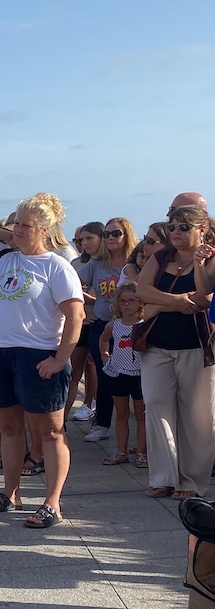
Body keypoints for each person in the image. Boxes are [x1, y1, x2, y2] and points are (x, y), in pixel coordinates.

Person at [0, 193, 84, 529]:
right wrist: (10, 234)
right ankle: (10, 493)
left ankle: (52, 503)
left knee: (51, 433)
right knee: (9, 428)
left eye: (25, 225)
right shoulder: (3, 256)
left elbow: (76, 315)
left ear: (44, 229)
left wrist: (60, 359)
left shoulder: (56, 265)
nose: (17, 229)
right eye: (15, 222)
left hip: (36, 354)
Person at [141, 204, 214, 500]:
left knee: (197, 417)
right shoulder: (161, 257)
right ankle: (163, 477)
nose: (176, 233)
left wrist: (197, 265)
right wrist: (175, 301)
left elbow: (204, 297)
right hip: (157, 345)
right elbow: (141, 291)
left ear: (202, 230)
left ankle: (191, 482)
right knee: (157, 408)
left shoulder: (210, 256)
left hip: (197, 346)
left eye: (184, 227)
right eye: (172, 227)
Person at [78, 218, 138, 442]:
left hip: (131, 326)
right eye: (106, 234)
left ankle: (134, 428)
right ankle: (102, 424)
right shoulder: (96, 263)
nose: (111, 238)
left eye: (116, 234)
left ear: (126, 235)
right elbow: (72, 285)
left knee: (133, 376)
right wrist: (88, 306)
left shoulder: (134, 264)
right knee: (106, 374)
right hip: (103, 325)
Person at [97, 284, 146, 467]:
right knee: (121, 414)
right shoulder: (114, 325)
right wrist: (104, 355)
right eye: (123, 301)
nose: (127, 305)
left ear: (139, 302)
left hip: (140, 373)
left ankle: (141, 452)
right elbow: (103, 339)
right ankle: (121, 451)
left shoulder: (144, 324)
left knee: (141, 415)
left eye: (131, 300)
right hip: (119, 373)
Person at [67, 222, 103, 423]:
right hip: (82, 320)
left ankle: (91, 403)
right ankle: (64, 416)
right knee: (75, 369)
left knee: (95, 366)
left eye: (89, 238)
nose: (83, 243)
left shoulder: (106, 263)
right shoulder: (76, 263)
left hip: (100, 320)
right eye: (80, 240)